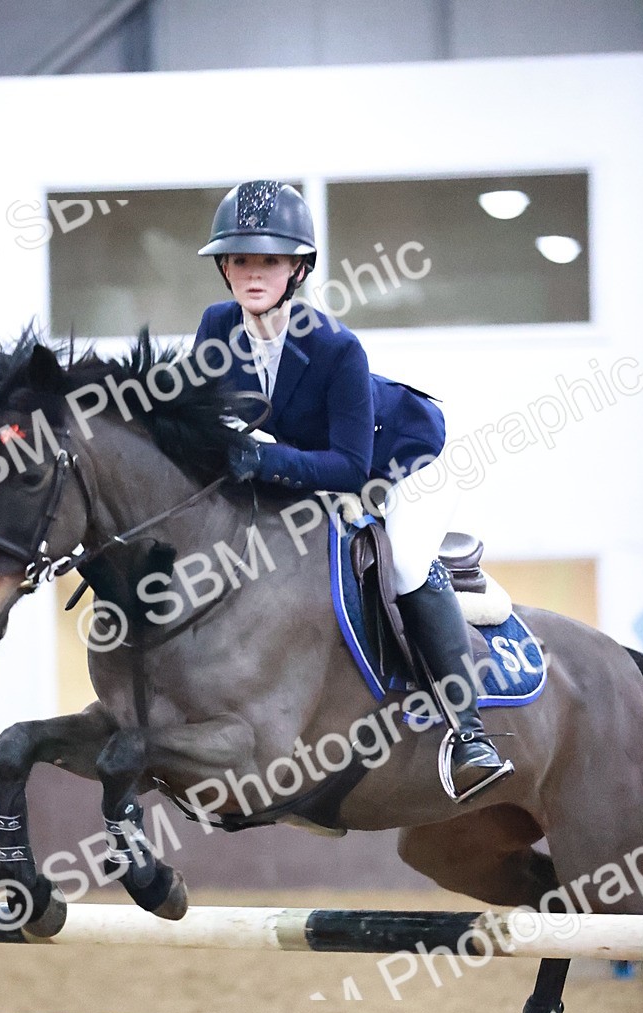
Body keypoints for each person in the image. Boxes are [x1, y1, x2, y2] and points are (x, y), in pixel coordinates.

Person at [194, 180, 512, 800]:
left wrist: (256, 456)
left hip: (404, 462)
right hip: (314, 460)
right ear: (224, 269)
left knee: (406, 568)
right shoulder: (215, 326)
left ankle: (469, 733)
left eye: (269, 260)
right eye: (240, 259)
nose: (252, 272)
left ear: (298, 268)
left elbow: (347, 468)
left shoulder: (336, 346)